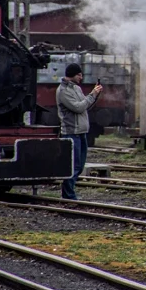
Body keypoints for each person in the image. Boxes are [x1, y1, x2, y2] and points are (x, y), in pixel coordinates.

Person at [56, 63, 102, 200]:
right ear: (73, 75)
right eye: (79, 75)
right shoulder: (63, 91)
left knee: (80, 165)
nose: (81, 77)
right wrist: (92, 94)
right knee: (73, 166)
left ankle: (69, 192)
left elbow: (85, 105)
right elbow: (78, 107)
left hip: (81, 132)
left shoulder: (76, 88)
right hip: (71, 132)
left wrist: (94, 96)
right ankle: (68, 195)